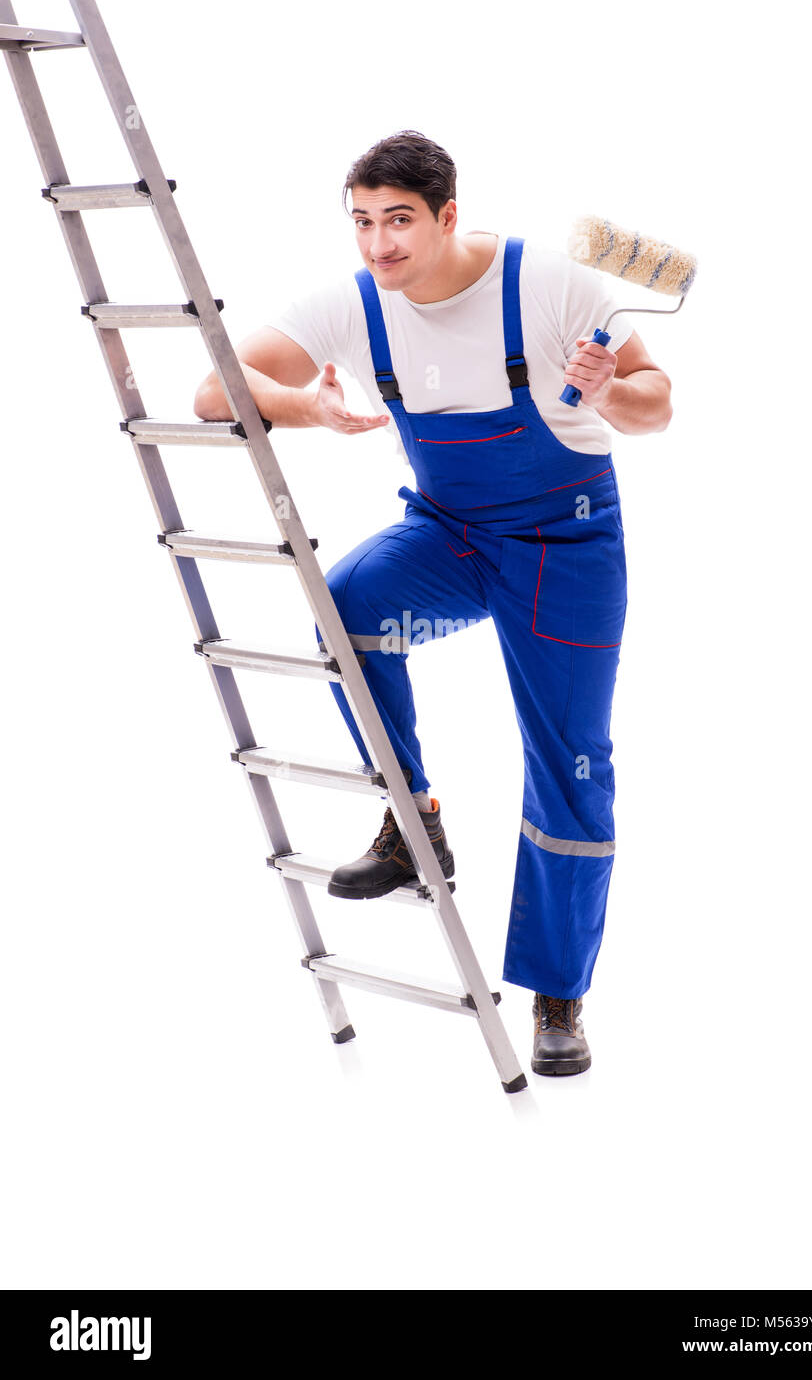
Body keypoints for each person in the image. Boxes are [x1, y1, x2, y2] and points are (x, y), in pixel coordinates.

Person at [193, 129, 672, 1077]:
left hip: (566, 546)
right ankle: (413, 822)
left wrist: (609, 391)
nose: (379, 246)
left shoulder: (554, 283)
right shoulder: (354, 303)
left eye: (399, 221)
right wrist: (311, 410)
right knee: (349, 607)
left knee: (570, 760)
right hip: (450, 535)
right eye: (363, 222)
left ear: (448, 215)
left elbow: (659, 401)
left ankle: (558, 999)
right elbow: (216, 388)